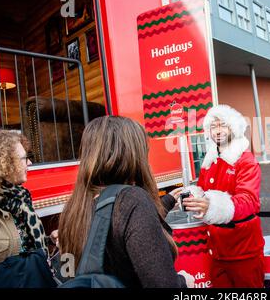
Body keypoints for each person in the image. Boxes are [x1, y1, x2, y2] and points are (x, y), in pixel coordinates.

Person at [58, 116, 193, 288]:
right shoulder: (131, 200)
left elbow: (67, 273)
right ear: (132, 154)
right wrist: (184, 282)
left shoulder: (72, 209)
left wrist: (167, 201)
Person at [182, 105, 265, 288]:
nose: (217, 131)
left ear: (233, 128)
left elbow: (248, 201)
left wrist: (211, 206)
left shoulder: (246, 160)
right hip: (217, 251)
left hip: (244, 252)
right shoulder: (210, 161)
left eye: (222, 125)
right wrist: (193, 197)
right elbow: (203, 190)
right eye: (213, 126)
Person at [0, 129, 57, 287]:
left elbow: (22, 242)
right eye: (24, 158)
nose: (30, 163)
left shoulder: (21, 198)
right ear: (3, 163)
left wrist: (49, 240)